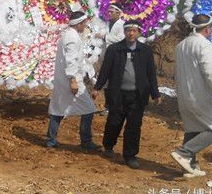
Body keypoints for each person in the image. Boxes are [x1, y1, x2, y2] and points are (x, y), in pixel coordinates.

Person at [91, 20, 160, 169]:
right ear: (124, 32)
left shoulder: (145, 51)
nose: (131, 33)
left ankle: (130, 155)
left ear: (139, 33)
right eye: (128, 30)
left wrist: (155, 93)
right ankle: (108, 145)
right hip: (117, 94)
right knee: (114, 121)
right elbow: (106, 70)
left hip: (138, 95)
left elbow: (151, 73)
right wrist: (97, 87)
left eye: (134, 30)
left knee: (134, 125)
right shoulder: (115, 50)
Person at [171, 14, 212, 178]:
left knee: (193, 128)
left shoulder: (181, 45)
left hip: (185, 95)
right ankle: (184, 152)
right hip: (202, 96)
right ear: (208, 29)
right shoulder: (204, 45)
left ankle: (190, 166)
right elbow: (211, 74)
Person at [46, 11, 101, 150]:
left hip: (63, 79)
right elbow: (71, 60)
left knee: (58, 108)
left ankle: (51, 140)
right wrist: (73, 80)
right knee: (88, 108)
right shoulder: (72, 37)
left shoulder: (68, 35)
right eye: (84, 23)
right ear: (80, 24)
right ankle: (86, 141)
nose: (85, 26)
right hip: (70, 79)